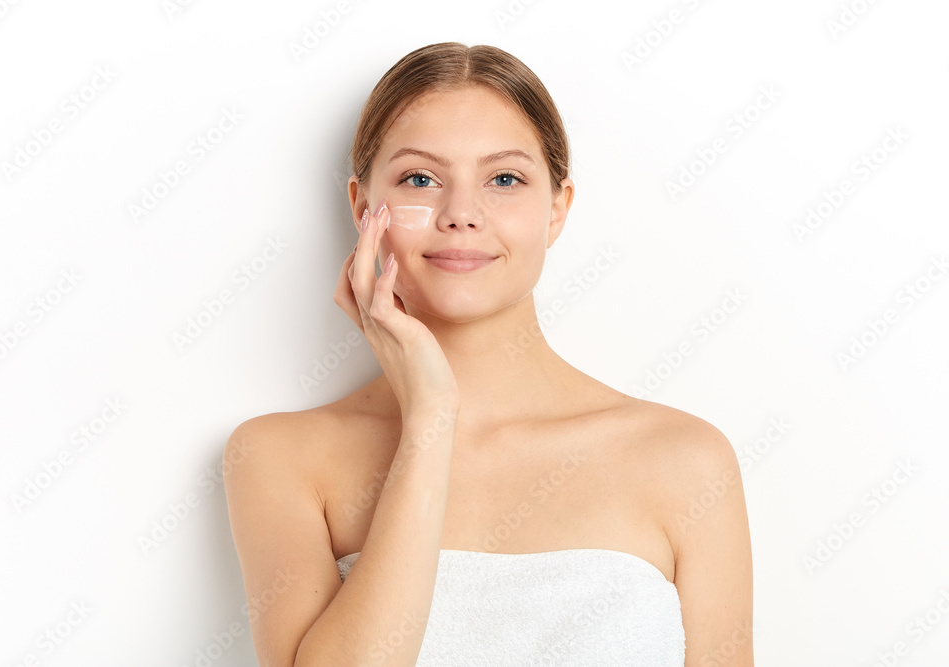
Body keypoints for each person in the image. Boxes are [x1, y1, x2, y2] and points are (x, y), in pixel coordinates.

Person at [223, 41, 753, 666]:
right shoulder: (281, 459)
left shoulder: (686, 461)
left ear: (558, 209)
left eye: (505, 179)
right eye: (420, 179)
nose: (462, 215)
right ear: (365, 209)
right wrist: (430, 417)